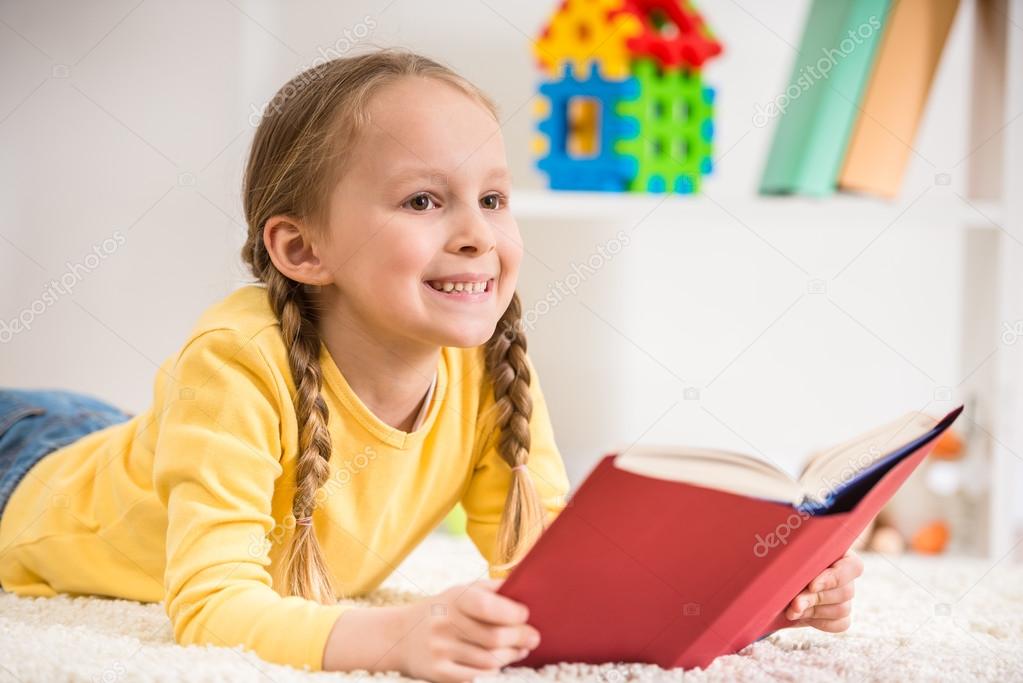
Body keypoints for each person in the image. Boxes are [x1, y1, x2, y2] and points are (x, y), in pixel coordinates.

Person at [0, 48, 861, 683]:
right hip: (30, 470)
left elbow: (555, 565)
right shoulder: (236, 361)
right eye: (423, 199)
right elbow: (209, 608)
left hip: (123, 443)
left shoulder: (489, 369)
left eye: (491, 197)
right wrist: (390, 639)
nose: (476, 232)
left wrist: (750, 597)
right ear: (302, 247)